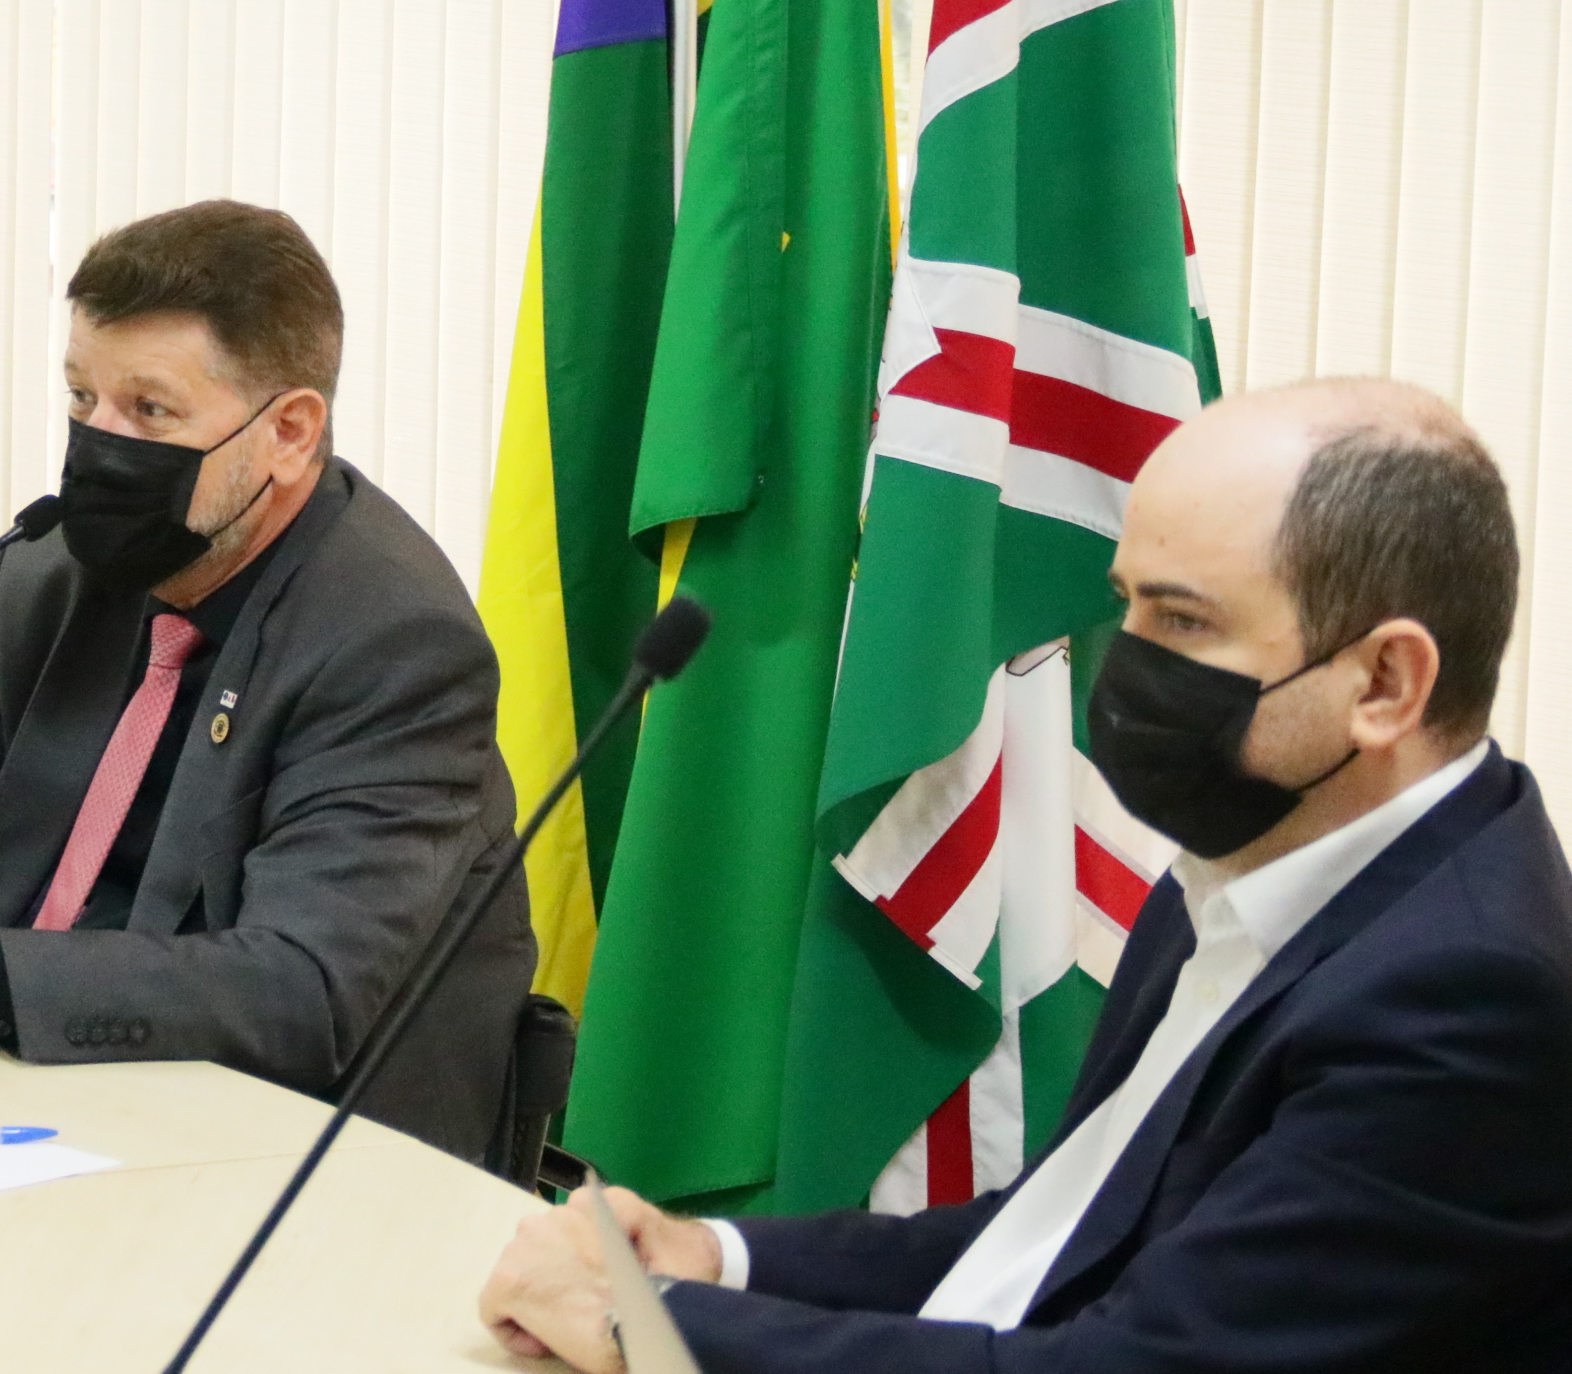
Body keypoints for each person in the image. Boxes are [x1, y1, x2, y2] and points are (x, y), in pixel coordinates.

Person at [478, 378, 1572, 1372]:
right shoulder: (1246, 873)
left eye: (1182, 620)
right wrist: (714, 1259)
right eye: (1126, 601)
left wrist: (648, 1326)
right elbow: (1065, 1232)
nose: (1122, 662)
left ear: (1385, 683)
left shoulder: (1468, 1004)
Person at [0, 201, 534, 1163]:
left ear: (288, 432)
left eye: (149, 410)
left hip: (273, 1171)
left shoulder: (393, 643)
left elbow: (299, 988)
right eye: (81, 399)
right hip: (1, 1115)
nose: (96, 446)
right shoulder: (55, 571)